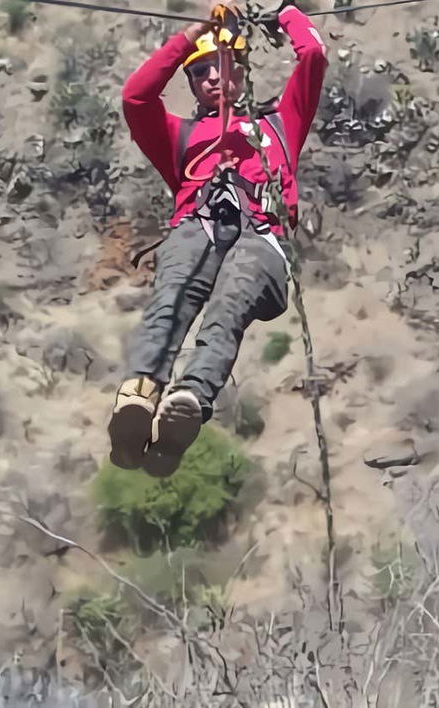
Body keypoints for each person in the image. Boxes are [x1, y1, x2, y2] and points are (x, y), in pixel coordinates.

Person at [109, 0, 327, 477]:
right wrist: (193, 35)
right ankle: (140, 397)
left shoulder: (279, 124)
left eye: (221, 65)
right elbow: (136, 98)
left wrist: (283, 13)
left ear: (242, 69)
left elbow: (312, 56)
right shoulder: (180, 136)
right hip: (199, 226)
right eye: (198, 73)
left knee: (229, 302)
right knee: (172, 294)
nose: (210, 78)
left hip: (263, 238)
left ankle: (188, 398)